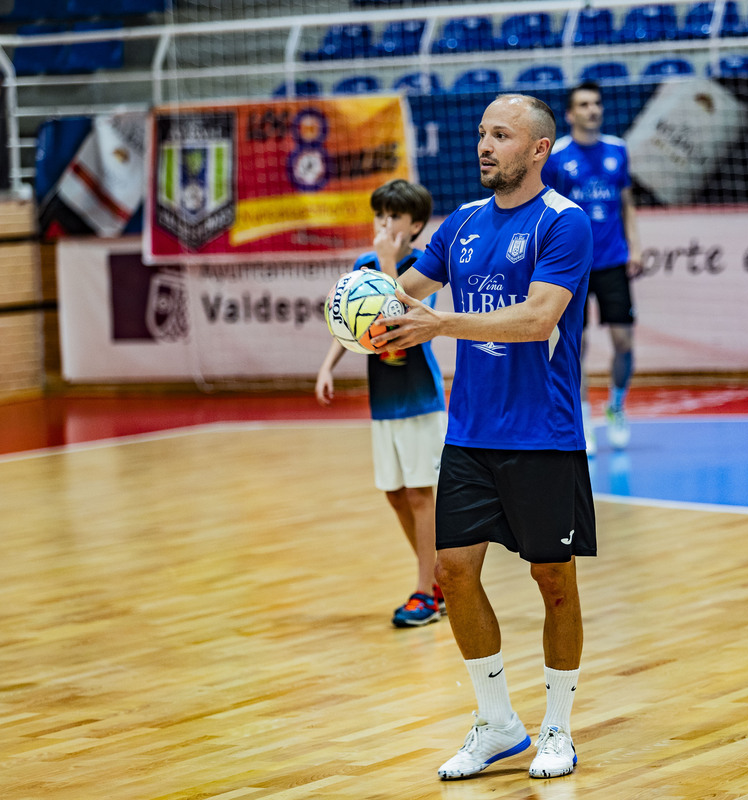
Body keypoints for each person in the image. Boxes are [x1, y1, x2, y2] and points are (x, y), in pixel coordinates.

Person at [372, 94, 595, 781]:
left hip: (543, 436)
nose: (485, 145)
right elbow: (401, 295)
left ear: (538, 150)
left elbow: (535, 320)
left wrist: (442, 324)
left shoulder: (566, 223)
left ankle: (557, 727)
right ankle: (498, 721)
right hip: (469, 432)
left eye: (502, 134)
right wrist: (365, 294)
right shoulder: (462, 223)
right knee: (453, 572)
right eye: (481, 134)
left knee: (552, 580)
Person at [315, 179, 447, 629]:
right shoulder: (362, 265)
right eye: (380, 216)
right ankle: (438, 580)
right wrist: (328, 365)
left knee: (419, 494)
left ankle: (424, 591)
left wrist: (390, 266)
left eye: (394, 217)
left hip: (418, 398)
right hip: (384, 400)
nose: (384, 224)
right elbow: (348, 325)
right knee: (394, 494)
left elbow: (398, 319)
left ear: (415, 226)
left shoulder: (421, 266)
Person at [542, 80, 642, 455]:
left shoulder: (618, 150)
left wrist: (636, 245)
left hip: (614, 260)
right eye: (584, 104)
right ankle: (581, 416)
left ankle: (616, 406)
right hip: (573, 267)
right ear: (570, 114)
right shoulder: (557, 157)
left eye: (596, 103)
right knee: (574, 346)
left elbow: (626, 202)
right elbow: (546, 210)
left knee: (624, 342)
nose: (592, 110)